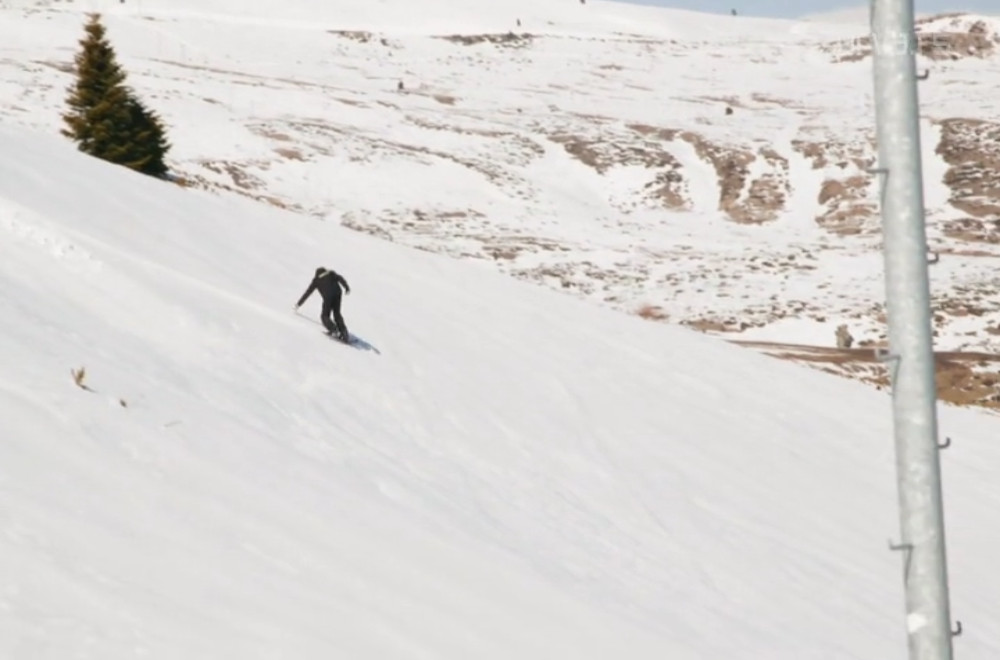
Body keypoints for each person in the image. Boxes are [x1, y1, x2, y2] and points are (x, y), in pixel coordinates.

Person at [295, 266, 351, 340]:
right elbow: (340, 278)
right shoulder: (331, 273)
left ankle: (334, 330)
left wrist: (299, 304)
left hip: (328, 296)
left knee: (324, 316)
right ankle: (344, 332)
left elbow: (308, 292)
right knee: (337, 313)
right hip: (338, 293)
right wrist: (346, 287)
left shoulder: (316, 280)